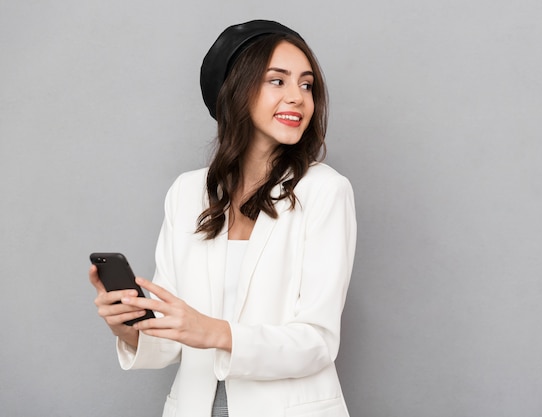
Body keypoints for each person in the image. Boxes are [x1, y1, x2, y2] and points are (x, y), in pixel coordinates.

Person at [89, 19, 357, 417]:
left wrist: (214, 331)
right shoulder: (187, 193)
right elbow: (174, 337)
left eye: (306, 85)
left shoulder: (325, 191)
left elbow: (317, 343)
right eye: (277, 81)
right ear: (235, 91)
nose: (298, 97)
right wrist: (127, 325)